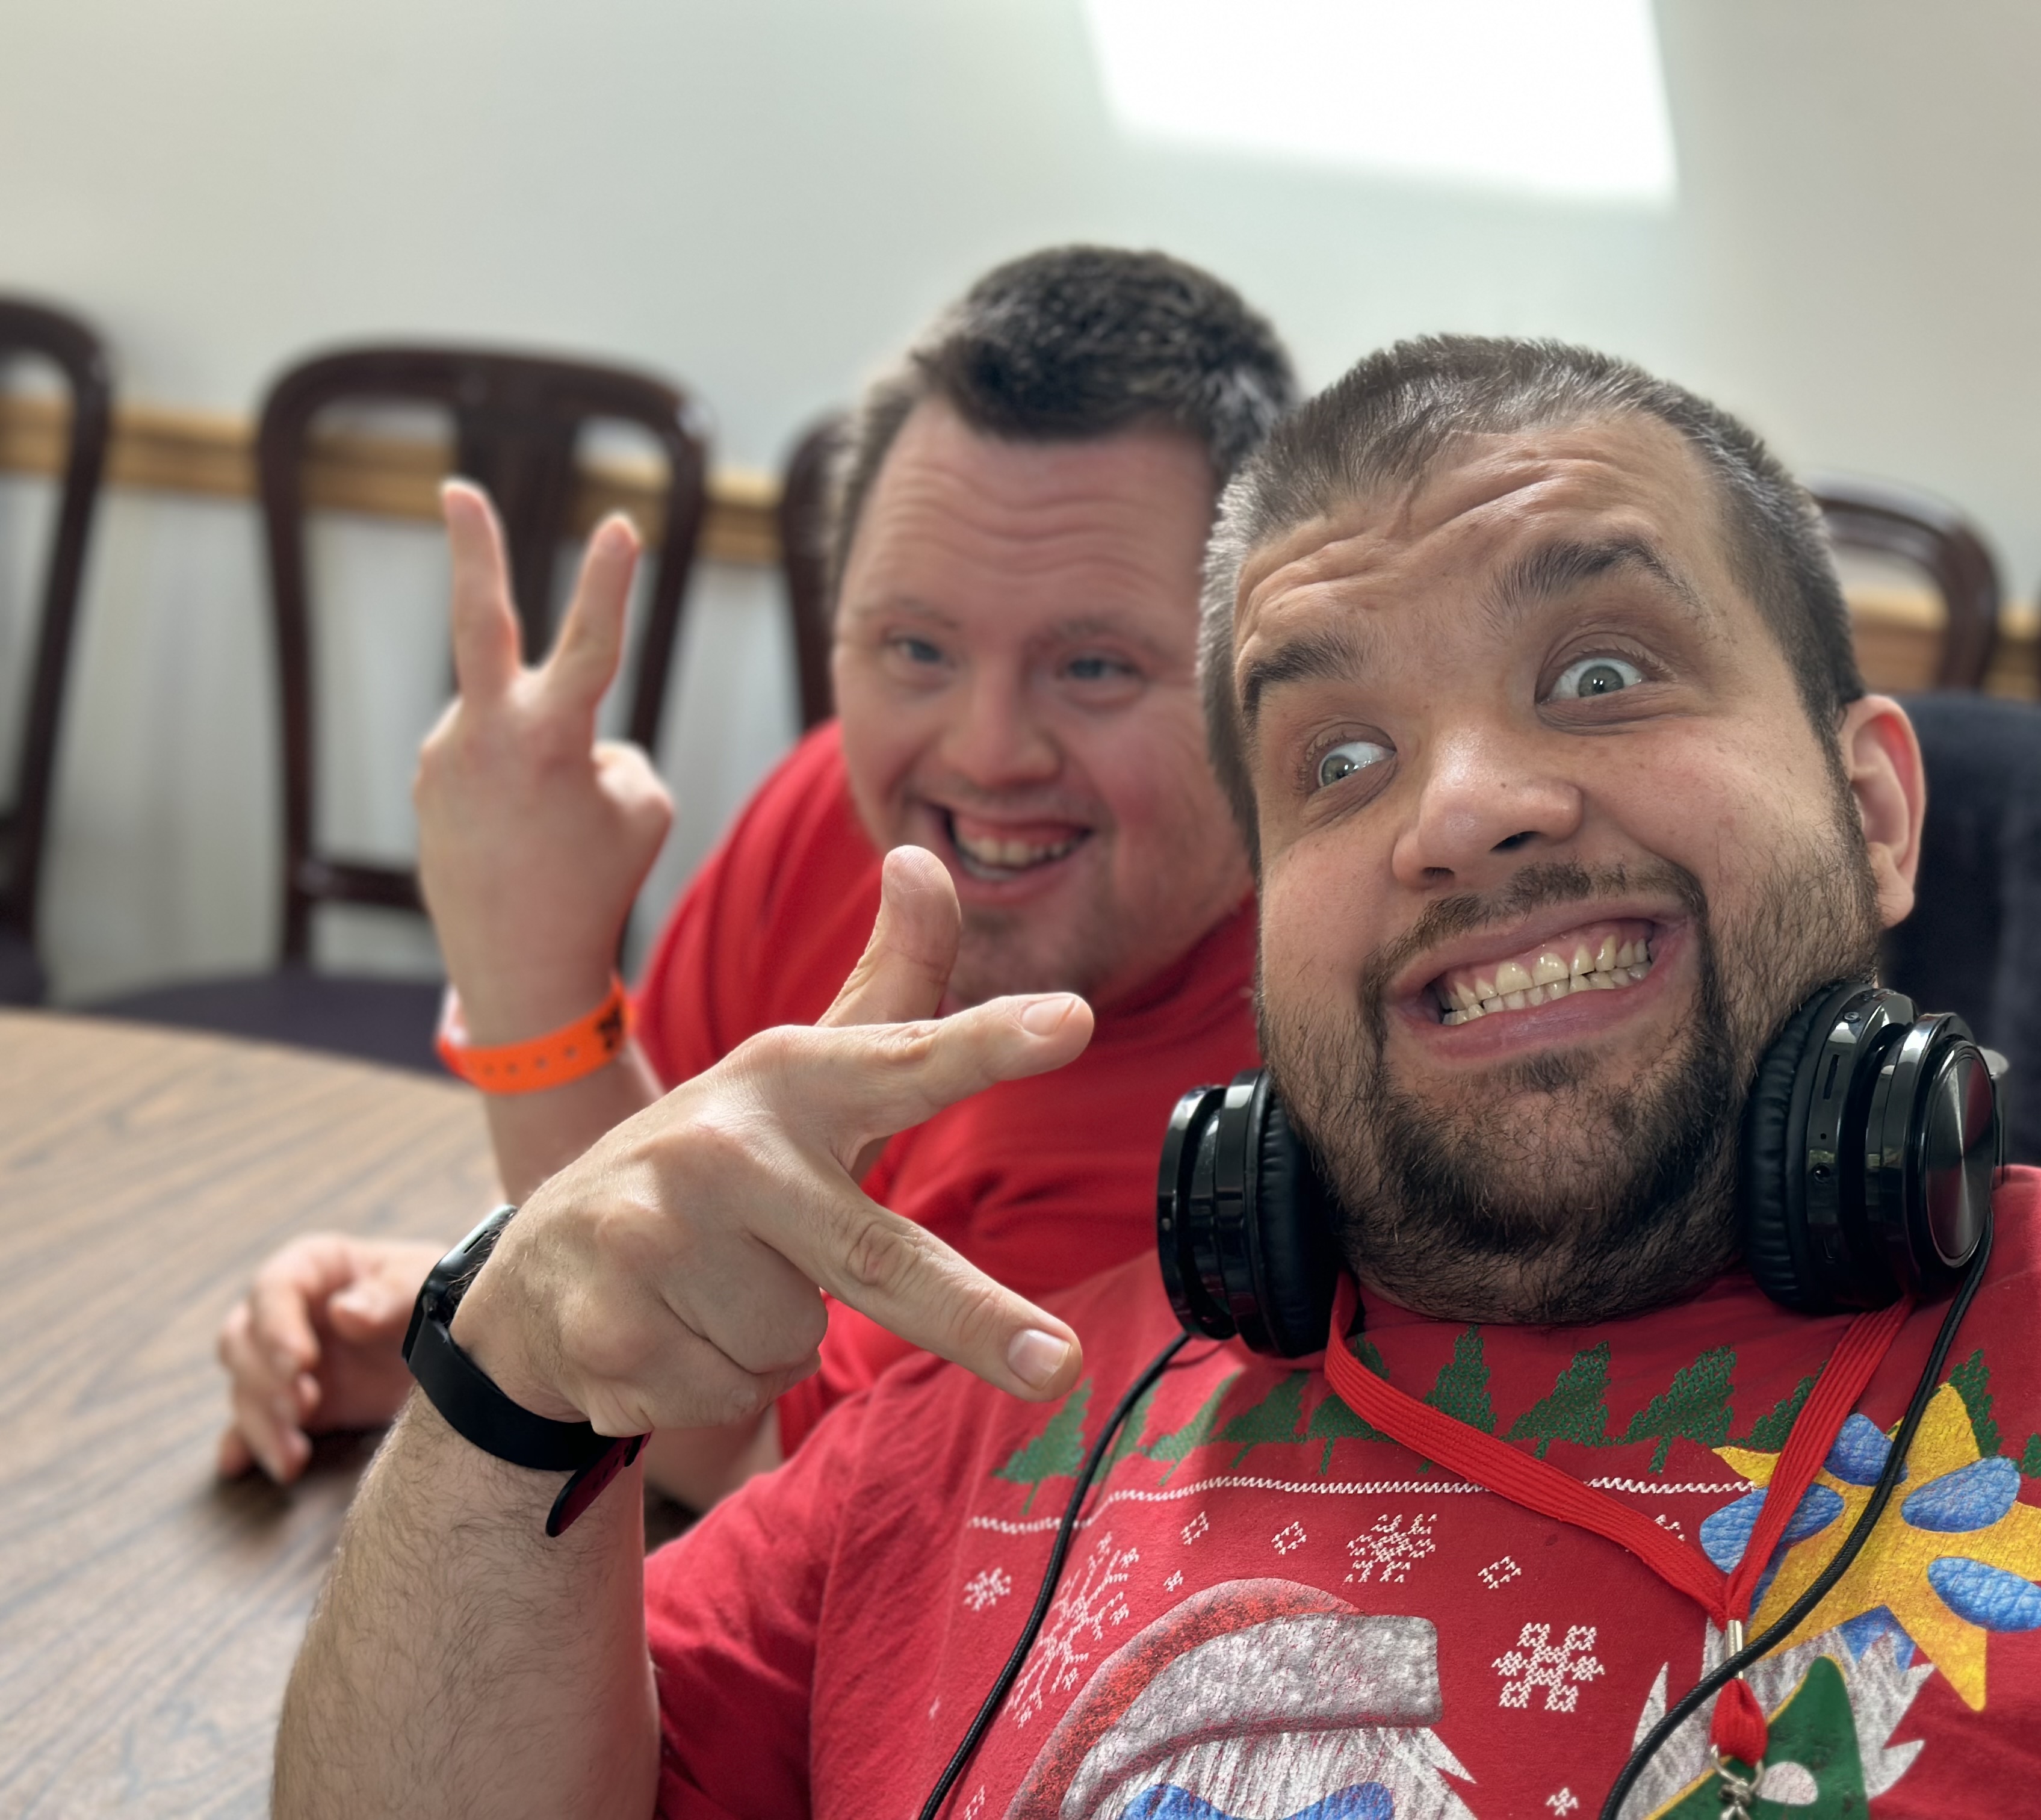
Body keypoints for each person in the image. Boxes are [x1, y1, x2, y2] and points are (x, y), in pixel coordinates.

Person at [274, 337, 2041, 1818]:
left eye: (1600, 670)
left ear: (1872, 810)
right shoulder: (1002, 1398)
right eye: (1341, 756)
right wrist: (506, 1376)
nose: (1461, 811)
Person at [211, 247, 1291, 1508]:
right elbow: (636, 1221)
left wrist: (531, 977)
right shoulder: (833, 810)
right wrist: (446, 1311)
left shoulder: (1253, 1102)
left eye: (1094, 667)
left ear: (1263, 671)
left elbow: (748, 1463)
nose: (986, 753)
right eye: (917, 648)